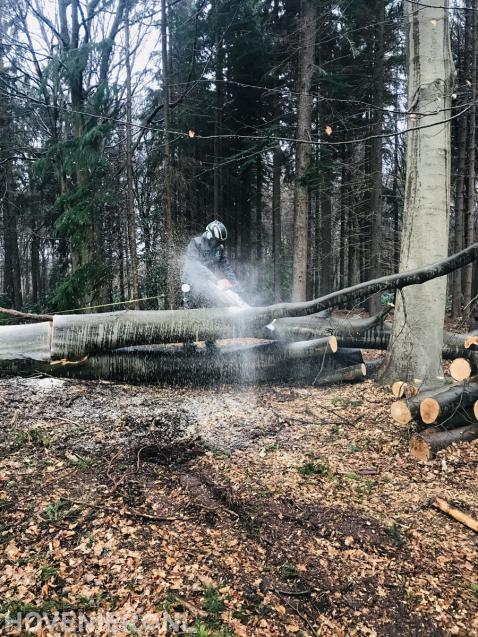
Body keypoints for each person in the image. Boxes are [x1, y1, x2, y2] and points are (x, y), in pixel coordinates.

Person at [181, 220, 242, 309]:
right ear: (209, 236)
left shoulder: (219, 248)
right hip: (191, 281)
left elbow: (226, 267)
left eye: (220, 242)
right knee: (191, 304)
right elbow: (194, 263)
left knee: (213, 302)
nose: (218, 244)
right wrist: (213, 277)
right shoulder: (195, 243)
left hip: (208, 282)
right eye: (216, 241)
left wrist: (235, 284)